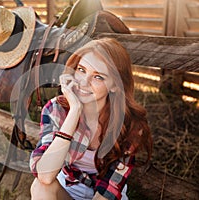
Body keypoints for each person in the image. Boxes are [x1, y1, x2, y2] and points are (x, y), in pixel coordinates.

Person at [29, 38, 153, 200]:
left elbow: (108, 192)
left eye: (98, 77)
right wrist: (74, 111)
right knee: (40, 186)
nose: (84, 82)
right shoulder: (56, 109)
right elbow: (44, 175)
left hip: (105, 196)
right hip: (69, 188)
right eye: (81, 70)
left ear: (115, 85)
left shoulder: (129, 124)